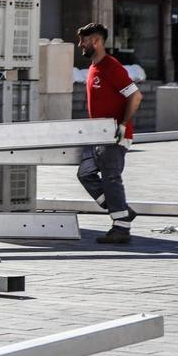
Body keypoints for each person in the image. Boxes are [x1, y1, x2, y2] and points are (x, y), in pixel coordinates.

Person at [76, 23, 143, 245]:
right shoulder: (94, 67)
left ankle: (121, 228)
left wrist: (123, 125)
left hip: (115, 135)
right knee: (85, 173)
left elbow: (135, 96)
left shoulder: (111, 67)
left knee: (111, 179)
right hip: (98, 135)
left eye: (84, 40)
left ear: (96, 41)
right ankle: (121, 209)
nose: (80, 45)